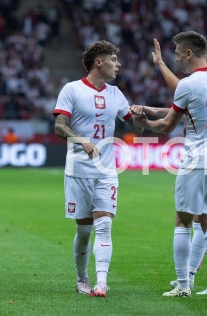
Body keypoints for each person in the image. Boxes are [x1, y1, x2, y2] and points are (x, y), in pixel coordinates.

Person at [131, 31, 207, 300]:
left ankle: (183, 284)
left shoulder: (188, 83)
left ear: (188, 53)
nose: (176, 61)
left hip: (197, 160)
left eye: (177, 55)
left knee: (183, 221)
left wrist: (144, 124)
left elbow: (167, 125)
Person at [53, 40, 142, 298]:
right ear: (98, 62)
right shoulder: (72, 90)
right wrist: (82, 140)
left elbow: (134, 128)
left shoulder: (116, 94)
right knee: (83, 231)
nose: (119, 64)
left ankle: (101, 283)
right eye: (114, 59)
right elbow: (60, 126)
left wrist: (140, 118)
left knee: (104, 225)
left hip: (106, 171)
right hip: (79, 170)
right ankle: (82, 278)